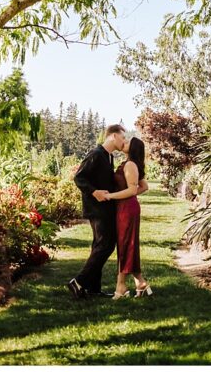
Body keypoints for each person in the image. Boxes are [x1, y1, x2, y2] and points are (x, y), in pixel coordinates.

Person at [69, 124, 127, 298]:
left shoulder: (108, 157)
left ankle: (93, 288)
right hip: (97, 209)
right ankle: (78, 282)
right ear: (113, 136)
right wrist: (94, 192)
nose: (124, 141)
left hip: (104, 208)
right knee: (106, 245)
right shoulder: (96, 154)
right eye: (122, 137)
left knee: (99, 245)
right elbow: (79, 177)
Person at [96, 136, 153, 298]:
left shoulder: (130, 165)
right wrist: (128, 196)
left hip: (127, 209)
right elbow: (144, 186)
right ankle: (140, 282)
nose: (124, 142)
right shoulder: (130, 164)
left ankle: (121, 286)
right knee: (127, 244)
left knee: (125, 244)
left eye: (128, 142)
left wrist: (111, 196)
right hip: (125, 207)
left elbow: (133, 190)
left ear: (133, 148)